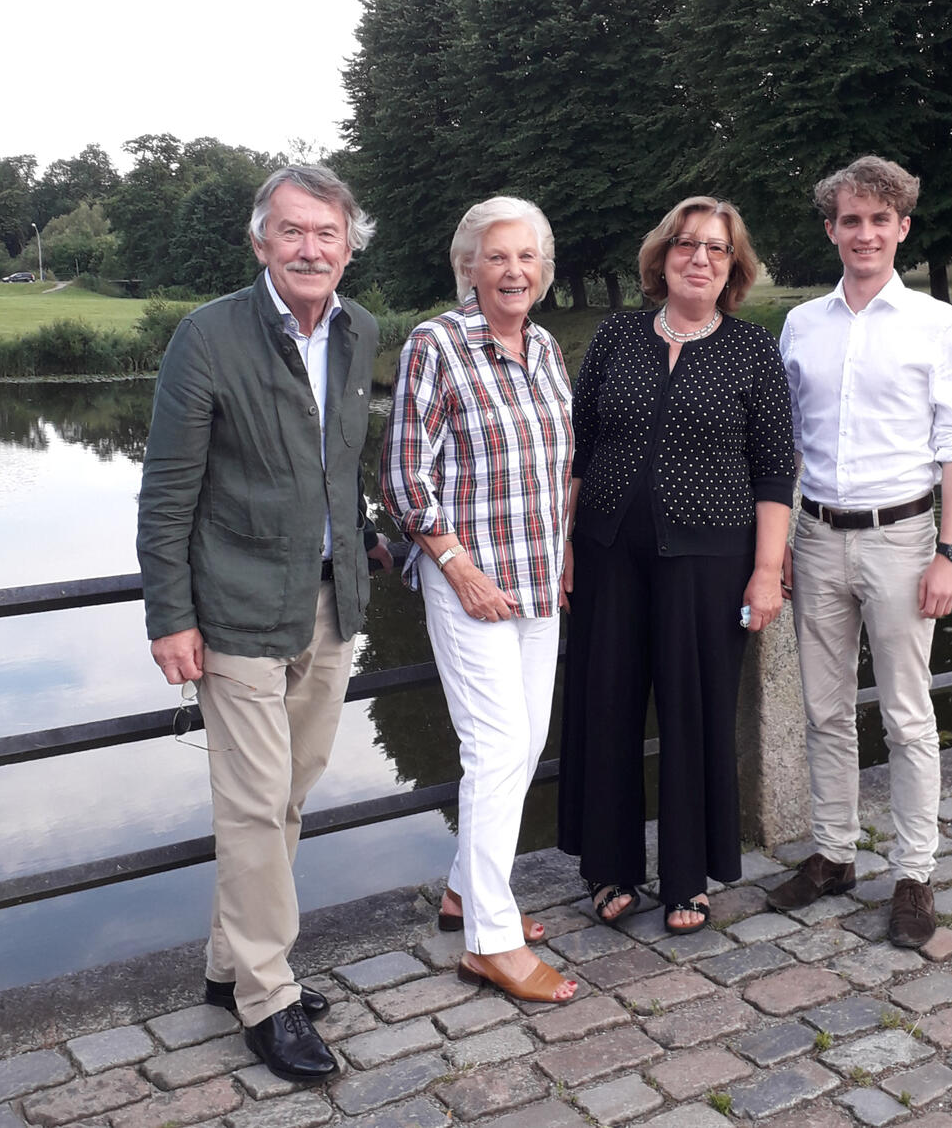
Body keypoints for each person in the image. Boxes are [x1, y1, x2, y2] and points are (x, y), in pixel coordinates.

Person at [136, 164, 392, 1083]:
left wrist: (367, 539)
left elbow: (341, 467)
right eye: (292, 231)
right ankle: (268, 999)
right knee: (251, 805)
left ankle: (229, 967)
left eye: (327, 234)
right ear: (260, 242)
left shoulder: (361, 331)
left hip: (331, 602)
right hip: (237, 609)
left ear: (349, 247)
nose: (310, 249)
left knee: (288, 796)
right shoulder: (208, 336)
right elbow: (167, 492)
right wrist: (170, 615)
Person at [557, 197, 795, 935]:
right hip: (607, 554)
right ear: (661, 259)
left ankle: (688, 877)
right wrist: (563, 543)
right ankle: (610, 867)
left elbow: (774, 470)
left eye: (716, 249)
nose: (700, 258)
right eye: (686, 245)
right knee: (607, 705)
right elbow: (579, 447)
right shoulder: (617, 335)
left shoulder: (752, 350)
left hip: (710, 561)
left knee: (694, 714)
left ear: (733, 267)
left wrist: (767, 571)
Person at [766, 156, 952, 950]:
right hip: (818, 536)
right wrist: (781, 542)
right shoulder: (801, 325)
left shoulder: (938, 324)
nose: (865, 233)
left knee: (906, 716)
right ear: (831, 230)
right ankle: (833, 854)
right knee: (823, 710)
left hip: (903, 540)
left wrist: (950, 553)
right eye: (850, 220)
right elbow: (788, 442)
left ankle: (914, 873)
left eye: (878, 220)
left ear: (902, 228)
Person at [381, 196, 578, 1004]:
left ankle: (467, 891)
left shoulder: (546, 347)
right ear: (469, 268)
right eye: (497, 256)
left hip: (537, 577)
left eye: (527, 257)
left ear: (544, 269)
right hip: (472, 581)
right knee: (496, 749)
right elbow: (404, 476)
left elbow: (558, 463)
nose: (513, 271)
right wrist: (456, 565)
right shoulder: (436, 343)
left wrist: (563, 552)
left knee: (523, 746)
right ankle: (490, 942)